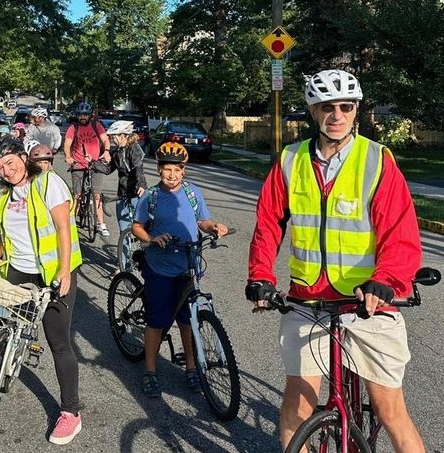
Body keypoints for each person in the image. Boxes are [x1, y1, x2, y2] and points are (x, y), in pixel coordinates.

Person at [245, 69, 425, 451]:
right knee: (298, 400)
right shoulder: (290, 160)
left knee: (390, 409)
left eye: (346, 106)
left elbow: (399, 232)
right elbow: (268, 225)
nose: (337, 115)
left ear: (356, 110)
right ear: (313, 111)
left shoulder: (376, 160)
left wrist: (387, 280)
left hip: (370, 300)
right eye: (327, 106)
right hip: (307, 299)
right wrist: (261, 276)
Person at [0, 135, 84, 445]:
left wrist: (64, 270)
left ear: (24, 158)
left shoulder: (49, 183)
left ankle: (71, 413)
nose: (6, 171)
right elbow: (2, 233)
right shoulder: (1, 193)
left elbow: (64, 227)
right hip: (17, 268)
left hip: (52, 272)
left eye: (10, 163)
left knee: (58, 341)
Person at [131, 142, 227, 398]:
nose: (171, 175)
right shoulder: (150, 197)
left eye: (176, 169)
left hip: (188, 266)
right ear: (159, 170)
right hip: (159, 266)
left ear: (184, 170)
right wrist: (152, 238)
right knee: (156, 321)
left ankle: (192, 367)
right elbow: (137, 227)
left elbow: (202, 221)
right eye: (166, 169)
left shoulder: (192, 193)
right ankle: (150, 370)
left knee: (187, 319)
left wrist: (214, 226)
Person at [63, 101, 111, 237]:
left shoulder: (97, 126)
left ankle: (101, 224)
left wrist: (106, 151)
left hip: (95, 164)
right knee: (77, 195)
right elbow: (67, 144)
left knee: (97, 194)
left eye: (85, 115)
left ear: (90, 115)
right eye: (80, 115)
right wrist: (68, 156)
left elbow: (105, 140)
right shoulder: (74, 128)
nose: (82, 117)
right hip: (78, 164)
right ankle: (71, 223)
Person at [99, 120, 148, 231]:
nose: (112, 139)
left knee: (142, 227)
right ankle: (125, 248)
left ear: (123, 136)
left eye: (113, 136)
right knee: (123, 229)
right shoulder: (117, 152)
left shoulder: (134, 148)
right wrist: (92, 163)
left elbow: (138, 167)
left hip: (136, 192)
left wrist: (142, 185)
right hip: (122, 193)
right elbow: (108, 170)